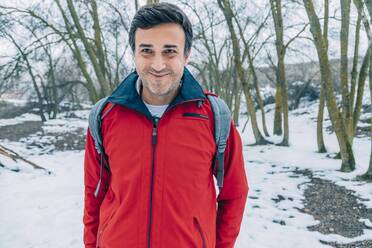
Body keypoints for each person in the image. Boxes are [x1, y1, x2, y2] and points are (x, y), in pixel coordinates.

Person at [83, 3, 248, 248]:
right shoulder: (105, 116)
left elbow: (234, 193)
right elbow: (93, 195)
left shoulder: (215, 116)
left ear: (186, 54)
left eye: (169, 51)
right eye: (147, 50)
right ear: (134, 53)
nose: (158, 64)